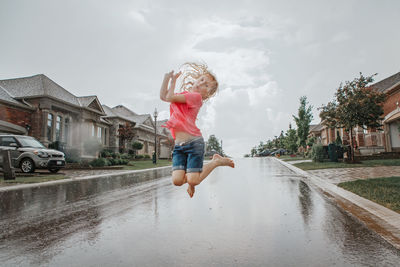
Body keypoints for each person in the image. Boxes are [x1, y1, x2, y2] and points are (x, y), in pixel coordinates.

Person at [160, 62, 235, 198]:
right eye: (201, 80)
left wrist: (174, 81)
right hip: (179, 146)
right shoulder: (183, 95)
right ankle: (192, 180)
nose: (201, 84)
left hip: (194, 144)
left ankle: (215, 162)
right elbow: (164, 97)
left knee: (193, 179)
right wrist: (166, 78)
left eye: (206, 85)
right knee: (177, 181)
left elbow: (169, 97)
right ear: (195, 80)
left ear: (207, 95)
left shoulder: (196, 98)